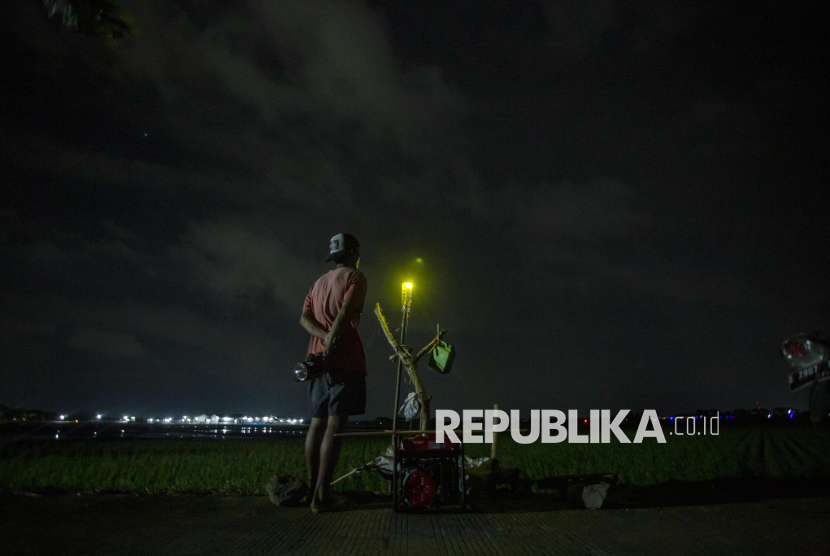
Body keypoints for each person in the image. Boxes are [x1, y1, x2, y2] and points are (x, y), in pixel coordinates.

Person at [299, 233, 367, 512]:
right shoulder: (356, 277)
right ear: (354, 253)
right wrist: (332, 340)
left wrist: (322, 338)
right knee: (335, 425)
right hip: (344, 360)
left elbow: (304, 318)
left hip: (315, 360)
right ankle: (322, 496)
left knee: (317, 423)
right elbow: (345, 313)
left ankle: (313, 489)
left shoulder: (318, 283)